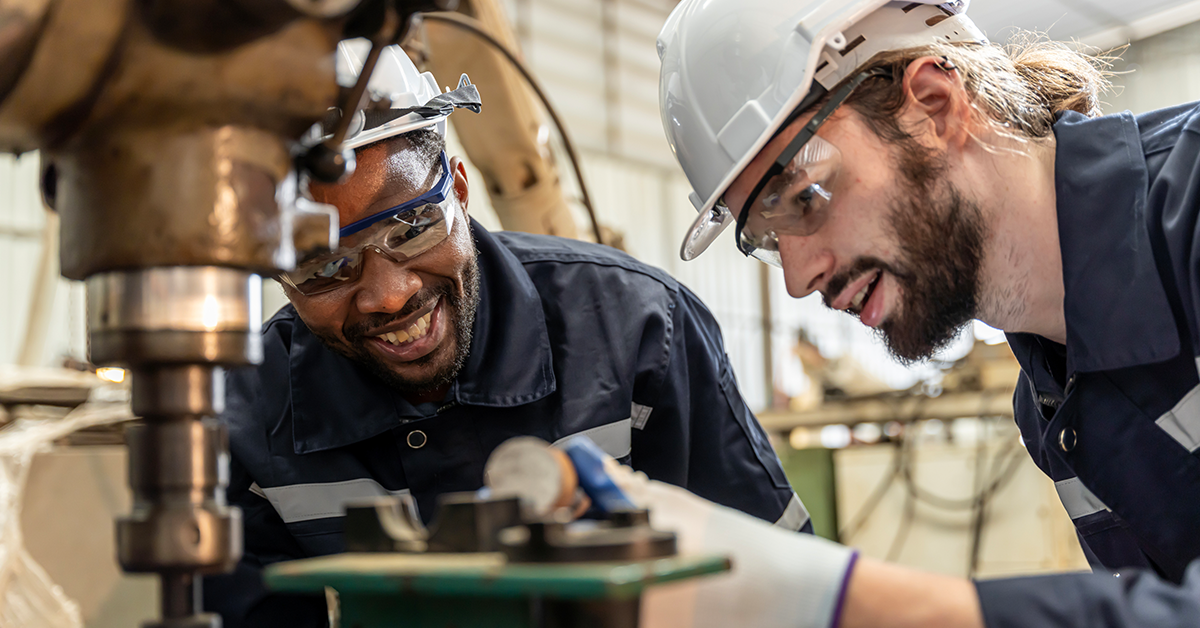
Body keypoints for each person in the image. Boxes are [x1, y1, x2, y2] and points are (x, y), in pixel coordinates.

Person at [202, 40, 808, 627]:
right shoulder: (250, 415)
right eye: (324, 267)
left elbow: (784, 593)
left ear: (460, 191)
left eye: (413, 225)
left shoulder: (642, 331)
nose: (389, 294)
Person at [638, 0, 1200, 626]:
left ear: (934, 104)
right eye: (768, 239)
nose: (798, 279)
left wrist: (845, 598)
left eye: (802, 197)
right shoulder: (1049, 403)